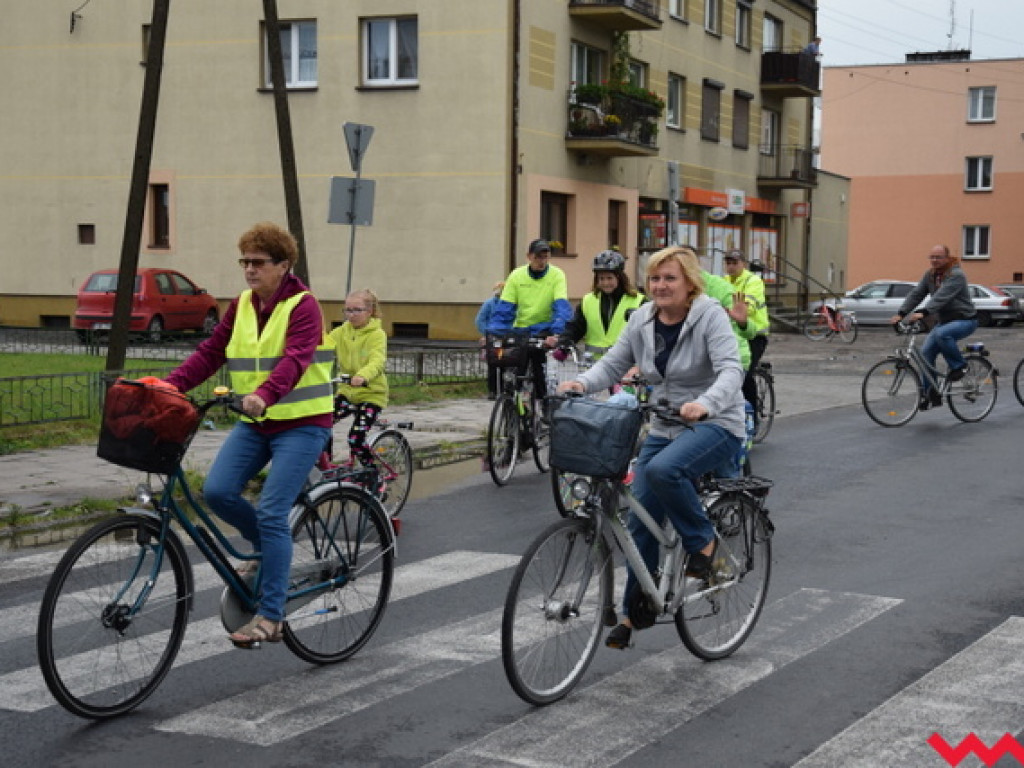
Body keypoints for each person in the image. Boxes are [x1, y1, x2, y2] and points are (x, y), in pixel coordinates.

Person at [559, 245, 746, 650]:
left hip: (715, 422)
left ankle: (705, 544)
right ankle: (635, 611)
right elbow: (613, 363)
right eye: (655, 278)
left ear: (689, 283)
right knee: (640, 520)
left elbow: (732, 369)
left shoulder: (710, 315)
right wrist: (581, 383)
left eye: (670, 278)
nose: (661, 285)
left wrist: (706, 403)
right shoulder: (643, 318)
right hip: (665, 423)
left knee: (665, 472)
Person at [165, 222, 334, 649]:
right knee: (217, 491)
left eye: (258, 262)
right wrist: (169, 386)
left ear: (283, 264)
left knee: (273, 512)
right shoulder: (241, 305)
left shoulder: (303, 305)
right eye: (244, 262)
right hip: (256, 422)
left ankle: (272, 616)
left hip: (302, 423)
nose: (249, 270)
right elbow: (211, 352)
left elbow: (295, 360)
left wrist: (264, 394)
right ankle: (264, 551)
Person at [890, 244, 978, 410]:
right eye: (932, 257)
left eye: (938, 257)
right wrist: (901, 313)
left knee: (942, 334)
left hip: (965, 320)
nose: (934, 260)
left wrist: (924, 312)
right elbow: (917, 293)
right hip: (944, 321)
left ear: (947, 258)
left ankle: (960, 366)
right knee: (926, 354)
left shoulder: (956, 275)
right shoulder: (930, 275)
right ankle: (931, 394)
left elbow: (942, 296)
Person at [487, 238, 572, 399]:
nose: (542, 261)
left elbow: (561, 307)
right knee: (515, 372)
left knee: (540, 373)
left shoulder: (557, 275)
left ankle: (544, 402)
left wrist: (557, 332)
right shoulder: (517, 275)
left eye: (545, 257)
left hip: (544, 330)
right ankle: (515, 400)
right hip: (522, 329)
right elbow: (505, 309)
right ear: (529, 256)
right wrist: (495, 332)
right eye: (538, 257)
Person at [328, 289, 389, 465]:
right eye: (348, 310)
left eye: (357, 310)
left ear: (370, 311)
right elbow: (322, 346)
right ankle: (325, 467)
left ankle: (372, 472)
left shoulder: (377, 335)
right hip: (346, 393)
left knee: (355, 438)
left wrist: (362, 376)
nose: (351, 315)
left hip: (371, 394)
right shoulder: (340, 332)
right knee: (321, 425)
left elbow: (377, 361)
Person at [560, 250, 646, 360]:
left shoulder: (638, 301)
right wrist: (565, 341)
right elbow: (576, 327)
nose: (605, 283)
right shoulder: (588, 300)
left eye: (609, 278)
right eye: (601, 278)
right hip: (593, 365)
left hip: (625, 365)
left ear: (619, 278)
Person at [723, 249, 770, 418]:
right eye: (728, 263)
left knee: (745, 374)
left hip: (754, 335)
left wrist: (732, 310)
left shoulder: (753, 281)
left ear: (743, 264)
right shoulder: (724, 281)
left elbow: (748, 307)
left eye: (735, 263)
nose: (731, 266)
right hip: (734, 334)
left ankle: (752, 416)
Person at [475, 281, 505, 400]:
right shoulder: (489, 304)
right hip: (493, 339)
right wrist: (487, 334)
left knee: (505, 363)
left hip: (507, 338)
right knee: (494, 364)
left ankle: (503, 390)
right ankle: (492, 390)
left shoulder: (511, 304)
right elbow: (480, 320)